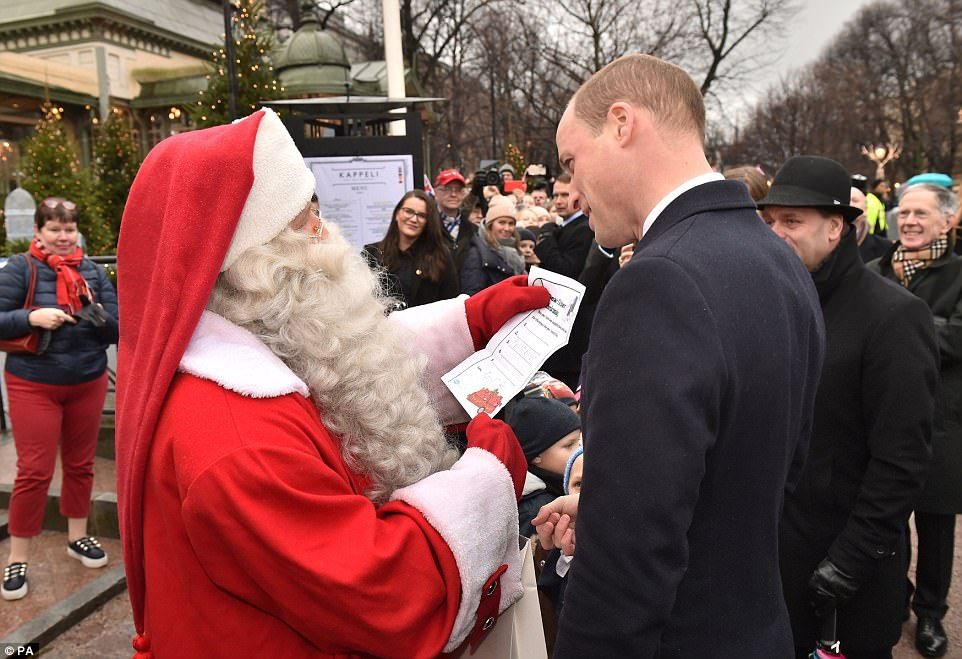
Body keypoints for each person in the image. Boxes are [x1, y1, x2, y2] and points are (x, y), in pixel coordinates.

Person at [114, 108, 552, 656]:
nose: (330, 234)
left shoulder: (247, 333)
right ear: (255, 259)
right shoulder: (233, 438)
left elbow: (339, 362)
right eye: (307, 220)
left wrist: (472, 322)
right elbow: (384, 594)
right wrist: (485, 480)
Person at [532, 54, 826, 657]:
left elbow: (629, 563)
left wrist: (616, 518)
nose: (572, 192)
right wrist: (609, 501)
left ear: (621, 123)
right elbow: (771, 475)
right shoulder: (781, 262)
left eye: (570, 162)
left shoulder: (657, 280)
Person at [758, 156, 939, 659]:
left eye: (792, 222)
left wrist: (849, 561)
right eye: (769, 221)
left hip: (847, 571)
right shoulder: (775, 303)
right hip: (775, 564)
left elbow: (901, 461)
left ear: (836, 228)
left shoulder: (894, 316)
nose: (775, 233)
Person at [0, 197, 118, 601]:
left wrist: (95, 312)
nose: (63, 237)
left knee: (81, 464)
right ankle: (18, 556)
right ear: (39, 232)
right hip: (33, 383)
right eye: (54, 229)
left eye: (69, 229)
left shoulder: (93, 273)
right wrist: (30, 317)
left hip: (87, 379)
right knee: (34, 471)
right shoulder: (21, 268)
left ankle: (77, 536)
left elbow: (117, 329)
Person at [866, 183, 962, 659]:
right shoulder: (875, 269)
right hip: (879, 419)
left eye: (922, 213)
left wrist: (897, 329)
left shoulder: (959, 274)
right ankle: (896, 595)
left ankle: (930, 613)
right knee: (886, 517)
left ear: (948, 220)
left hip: (941, 423)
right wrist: (930, 327)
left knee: (936, 524)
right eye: (904, 212)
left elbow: (957, 339)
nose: (909, 221)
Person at [363, 190, 459, 309]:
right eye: (408, 211)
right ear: (397, 214)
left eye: (421, 215)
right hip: (382, 326)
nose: (414, 219)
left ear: (428, 222)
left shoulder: (441, 257)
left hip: (424, 326)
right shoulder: (371, 253)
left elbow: (450, 305)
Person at [508, 396, 582, 538]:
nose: (577, 451)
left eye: (578, 442)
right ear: (536, 456)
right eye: (568, 445)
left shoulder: (556, 487)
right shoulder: (535, 511)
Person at [460, 201, 525, 295]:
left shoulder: (516, 251)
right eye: (502, 222)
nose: (507, 228)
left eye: (511, 223)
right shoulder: (476, 254)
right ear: (490, 225)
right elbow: (472, 295)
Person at [434, 169, 478, 272]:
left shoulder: (473, 230)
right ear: (436, 192)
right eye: (447, 189)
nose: (453, 194)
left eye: (458, 190)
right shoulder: (427, 226)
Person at [851, 186, 892, 262]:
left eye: (854, 200)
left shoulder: (885, 247)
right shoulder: (826, 243)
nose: (849, 204)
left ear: (866, 209)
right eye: (846, 201)